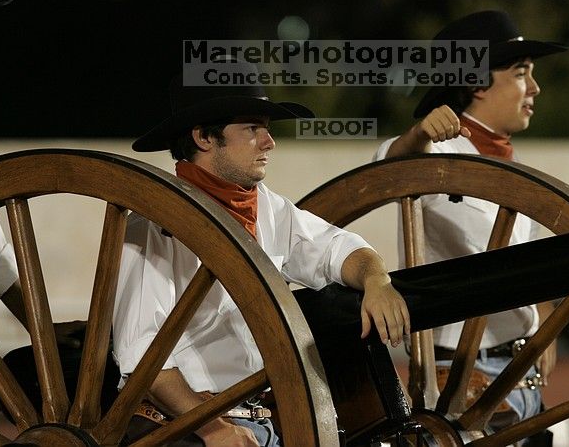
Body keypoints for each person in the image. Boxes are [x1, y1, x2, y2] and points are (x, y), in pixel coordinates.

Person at [112, 62, 411, 446]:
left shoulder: (268, 208)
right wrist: (212, 430)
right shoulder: (151, 227)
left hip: (255, 423)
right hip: (178, 429)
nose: (270, 142)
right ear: (204, 137)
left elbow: (338, 248)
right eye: (253, 128)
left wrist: (376, 279)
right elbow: (142, 362)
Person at [374, 10, 569, 444]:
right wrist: (417, 137)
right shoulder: (434, 153)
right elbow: (377, 177)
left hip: (522, 383)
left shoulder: (515, 166)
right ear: (476, 83)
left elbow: (529, 255)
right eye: (521, 73)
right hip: (460, 391)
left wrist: (540, 319)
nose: (535, 88)